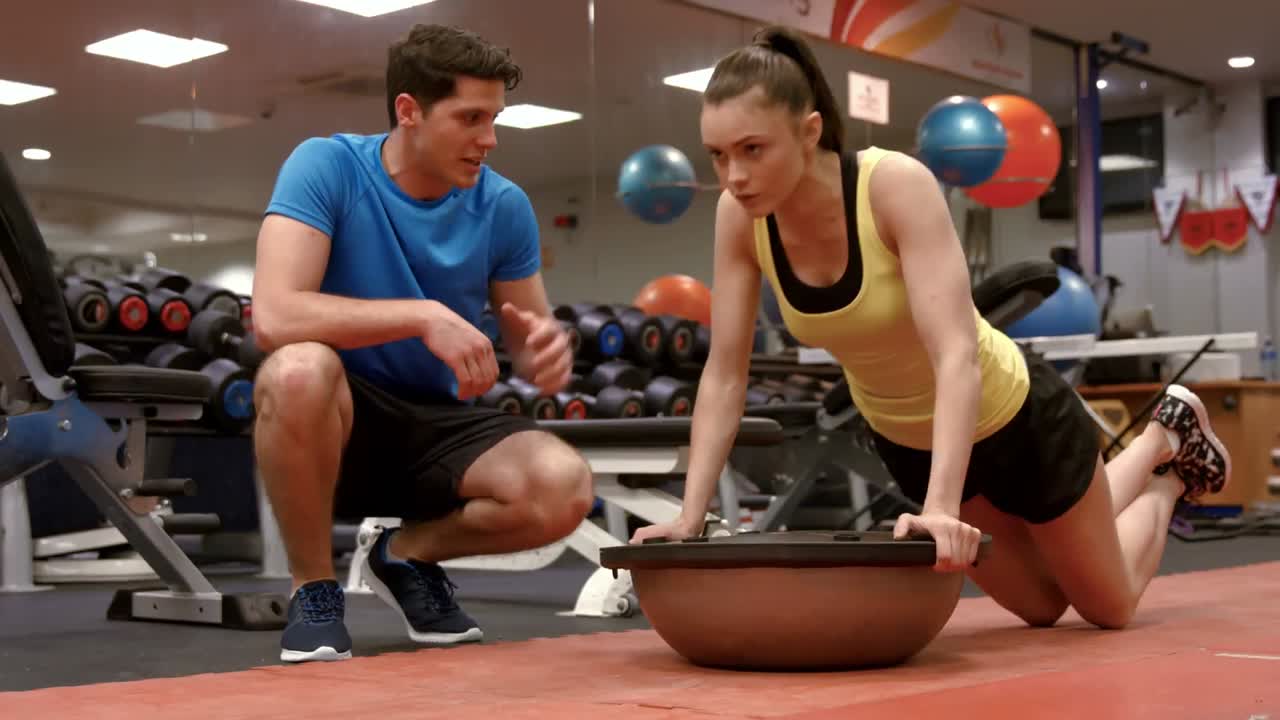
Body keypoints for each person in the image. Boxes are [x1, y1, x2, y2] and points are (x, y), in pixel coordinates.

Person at [631, 26, 1232, 631]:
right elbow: (725, 373)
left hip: (1015, 419)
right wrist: (690, 515)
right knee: (1043, 608)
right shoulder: (739, 218)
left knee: (1108, 606)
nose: (734, 174)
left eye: (752, 149)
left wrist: (941, 508)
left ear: (809, 131)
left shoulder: (892, 186)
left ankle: (1165, 458)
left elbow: (954, 354)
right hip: (910, 443)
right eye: (718, 155)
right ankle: (1159, 445)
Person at [251, 24, 594, 663]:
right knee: (297, 368)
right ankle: (314, 586)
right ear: (409, 111)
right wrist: (420, 315)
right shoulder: (326, 166)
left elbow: (528, 339)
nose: (487, 140)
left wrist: (545, 352)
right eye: (469, 118)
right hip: (335, 418)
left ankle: (405, 555)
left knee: (563, 487)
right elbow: (273, 315)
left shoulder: (504, 205)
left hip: (439, 424)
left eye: (494, 119)